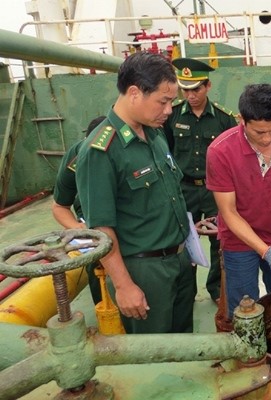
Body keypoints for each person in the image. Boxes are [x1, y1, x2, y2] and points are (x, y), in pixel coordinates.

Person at [75, 52, 195, 334]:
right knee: (153, 356)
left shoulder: (154, 134)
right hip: (144, 271)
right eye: (163, 102)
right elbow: (102, 228)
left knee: (184, 347)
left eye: (171, 103)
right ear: (134, 93)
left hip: (178, 261)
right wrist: (124, 285)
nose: (168, 111)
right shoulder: (101, 150)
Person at [206, 83, 271, 320]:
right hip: (239, 243)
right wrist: (266, 252)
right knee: (246, 310)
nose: (267, 139)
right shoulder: (220, 152)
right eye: (258, 132)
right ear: (241, 119)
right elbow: (229, 213)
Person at [164, 57, 238, 303]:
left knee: (220, 239)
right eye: (185, 90)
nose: (190, 95)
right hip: (183, 189)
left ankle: (217, 290)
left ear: (207, 86)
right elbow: (166, 152)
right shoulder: (172, 116)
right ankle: (187, 291)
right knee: (183, 240)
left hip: (213, 190)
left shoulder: (223, 119)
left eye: (195, 89)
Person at [52, 115, 106, 305]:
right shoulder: (79, 154)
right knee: (98, 274)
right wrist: (78, 227)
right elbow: (59, 206)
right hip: (92, 230)